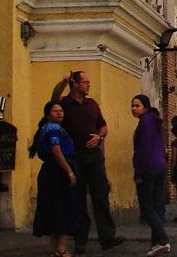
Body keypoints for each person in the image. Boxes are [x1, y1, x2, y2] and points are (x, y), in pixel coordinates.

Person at [54, 72, 126, 252]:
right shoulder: (64, 104)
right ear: (75, 84)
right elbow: (54, 99)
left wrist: (99, 136)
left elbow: (104, 126)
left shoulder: (92, 104)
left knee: (100, 195)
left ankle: (107, 237)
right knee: (77, 198)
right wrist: (62, 83)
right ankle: (80, 240)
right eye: (85, 82)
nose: (88, 85)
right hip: (74, 156)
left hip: (94, 155)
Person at [31, 100, 84, 257]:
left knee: (52, 208)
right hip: (58, 171)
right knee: (64, 207)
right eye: (55, 111)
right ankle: (61, 248)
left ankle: (53, 248)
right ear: (48, 114)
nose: (60, 113)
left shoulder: (44, 129)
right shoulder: (54, 129)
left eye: (61, 110)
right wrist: (69, 172)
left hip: (48, 171)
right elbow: (57, 151)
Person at [131, 94, 172, 256]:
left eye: (137, 105)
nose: (134, 108)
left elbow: (144, 149)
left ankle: (162, 239)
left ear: (145, 107)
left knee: (147, 207)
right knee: (157, 206)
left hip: (148, 168)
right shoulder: (155, 121)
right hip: (160, 166)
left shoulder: (145, 122)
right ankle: (157, 243)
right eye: (133, 106)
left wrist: (138, 172)